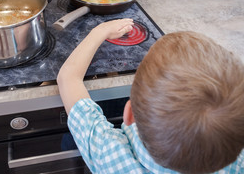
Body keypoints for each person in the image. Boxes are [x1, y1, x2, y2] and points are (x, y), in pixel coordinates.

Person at [56, 18, 244, 174]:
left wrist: (100, 31)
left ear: (128, 115)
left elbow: (68, 78)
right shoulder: (238, 163)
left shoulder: (112, 157)